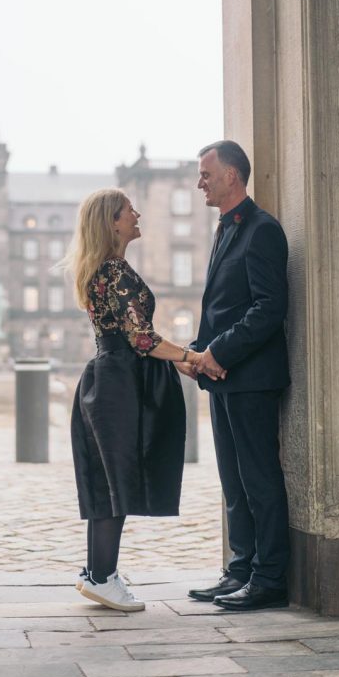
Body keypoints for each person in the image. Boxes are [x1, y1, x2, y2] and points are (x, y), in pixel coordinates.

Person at [68, 188, 209, 612]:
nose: (137, 214)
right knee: (119, 478)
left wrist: (177, 358)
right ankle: (104, 576)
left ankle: (98, 573)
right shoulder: (116, 272)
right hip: (123, 381)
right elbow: (142, 338)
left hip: (104, 375)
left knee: (105, 477)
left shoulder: (99, 270)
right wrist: (191, 356)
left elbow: (135, 339)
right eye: (130, 210)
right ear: (112, 222)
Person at [185, 140, 291, 612]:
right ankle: (240, 570)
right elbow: (222, 308)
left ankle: (269, 580)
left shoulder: (263, 229)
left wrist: (219, 351)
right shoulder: (225, 228)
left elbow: (270, 308)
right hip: (223, 377)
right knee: (233, 481)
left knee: (259, 480)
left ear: (232, 176)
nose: (200, 182)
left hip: (252, 379)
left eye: (206, 173)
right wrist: (198, 352)